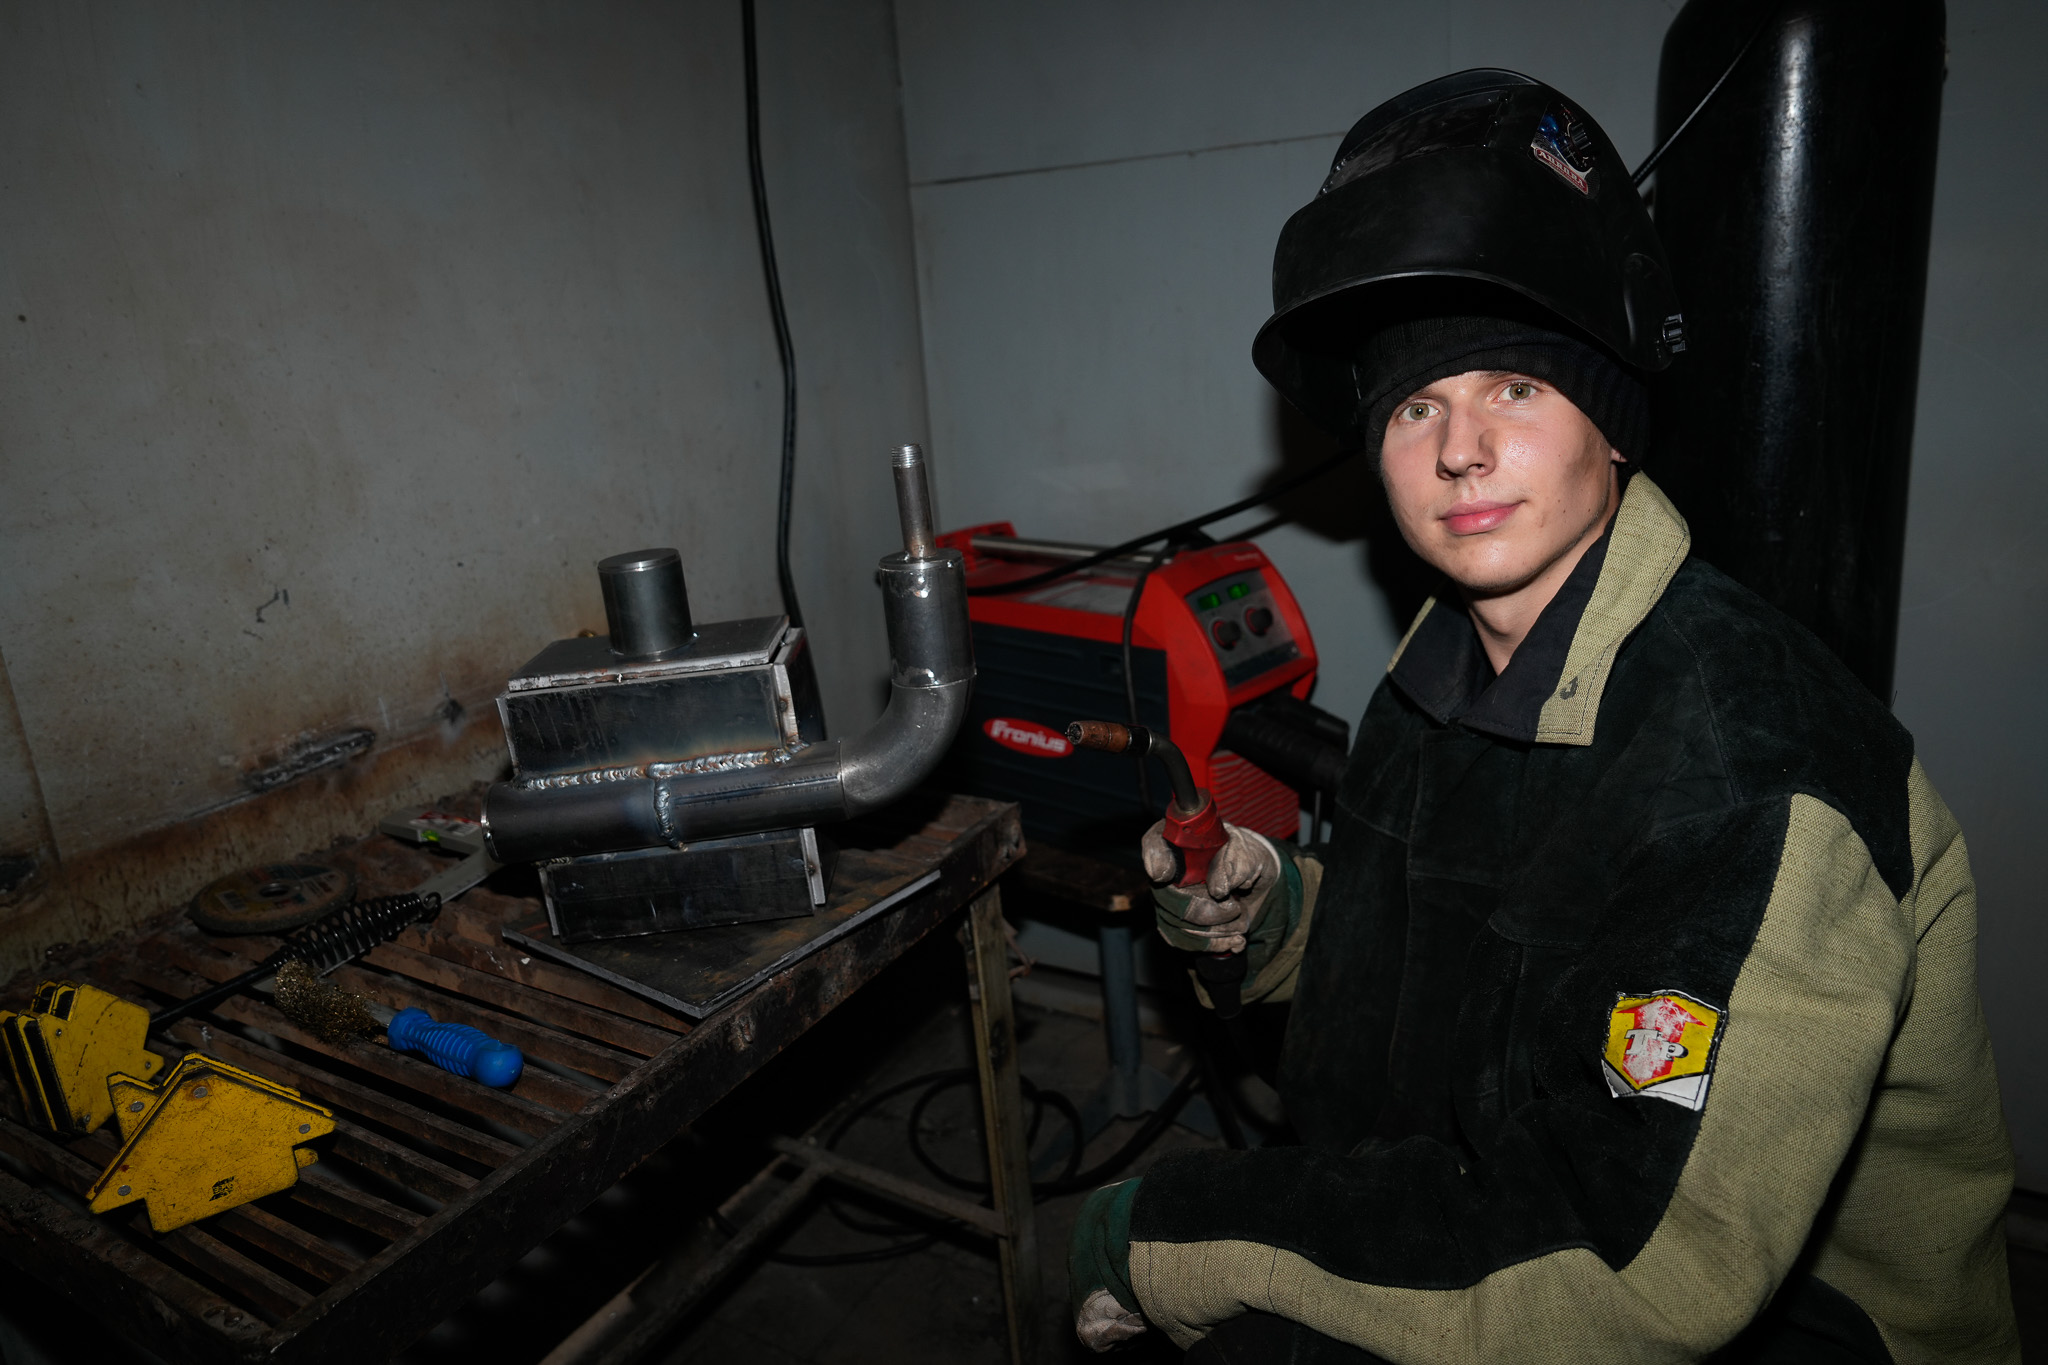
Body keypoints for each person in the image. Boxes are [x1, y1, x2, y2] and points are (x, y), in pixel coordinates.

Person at [1067, 70, 2018, 1364]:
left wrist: (1186, 1231)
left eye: (1512, 387)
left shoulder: (1750, 771)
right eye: (1415, 406)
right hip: (1498, 1210)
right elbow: (1457, 963)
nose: (1458, 448)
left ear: (1612, 427)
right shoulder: (1437, 673)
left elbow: (1635, 1264)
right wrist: (1277, 909)